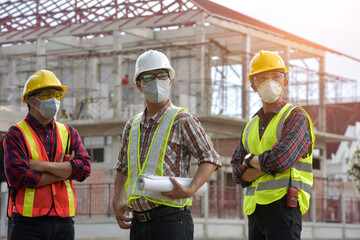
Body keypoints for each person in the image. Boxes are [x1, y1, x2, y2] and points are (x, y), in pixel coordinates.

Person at [112, 50, 221, 240]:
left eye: (161, 75)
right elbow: (122, 167)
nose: (156, 81)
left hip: (172, 221)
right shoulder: (132, 125)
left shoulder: (182, 120)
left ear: (169, 80)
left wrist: (191, 189)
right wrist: (117, 198)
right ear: (139, 85)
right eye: (148, 76)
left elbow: (210, 158)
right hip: (139, 223)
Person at [231, 50, 315, 240]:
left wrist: (250, 160)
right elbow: (237, 173)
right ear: (253, 85)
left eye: (276, 76)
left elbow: (279, 160)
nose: (270, 82)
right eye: (262, 78)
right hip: (254, 211)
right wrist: (264, 162)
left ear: (285, 82)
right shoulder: (250, 125)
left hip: (284, 208)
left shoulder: (295, 116)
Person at [3, 70, 91, 240]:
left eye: (57, 94)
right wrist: (64, 171)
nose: (53, 99)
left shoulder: (69, 132)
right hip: (27, 225)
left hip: (64, 223)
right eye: (46, 94)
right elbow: (18, 177)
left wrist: (41, 165)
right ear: (30, 100)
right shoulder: (16, 134)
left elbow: (84, 169)